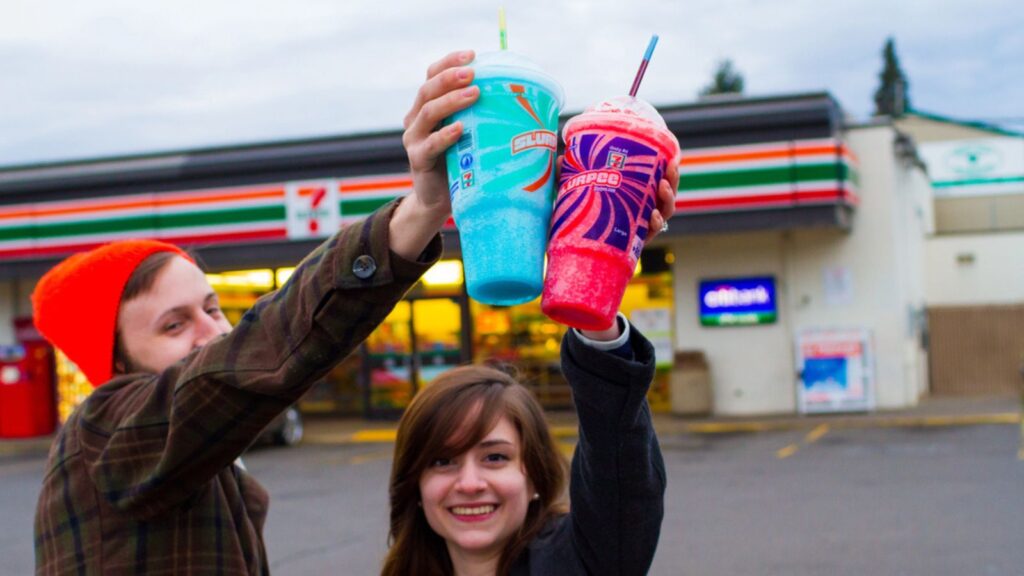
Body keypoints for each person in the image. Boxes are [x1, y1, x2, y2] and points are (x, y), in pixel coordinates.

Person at [31, 49, 487, 576]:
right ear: (113, 363)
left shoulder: (201, 462)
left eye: (212, 307)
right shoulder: (105, 431)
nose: (213, 333)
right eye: (173, 325)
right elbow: (260, 348)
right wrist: (424, 210)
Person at [382, 161, 678, 575]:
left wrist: (592, 268)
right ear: (413, 485)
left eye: (496, 457)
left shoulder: (577, 565)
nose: (469, 484)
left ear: (535, 478)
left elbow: (622, 488)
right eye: (442, 461)